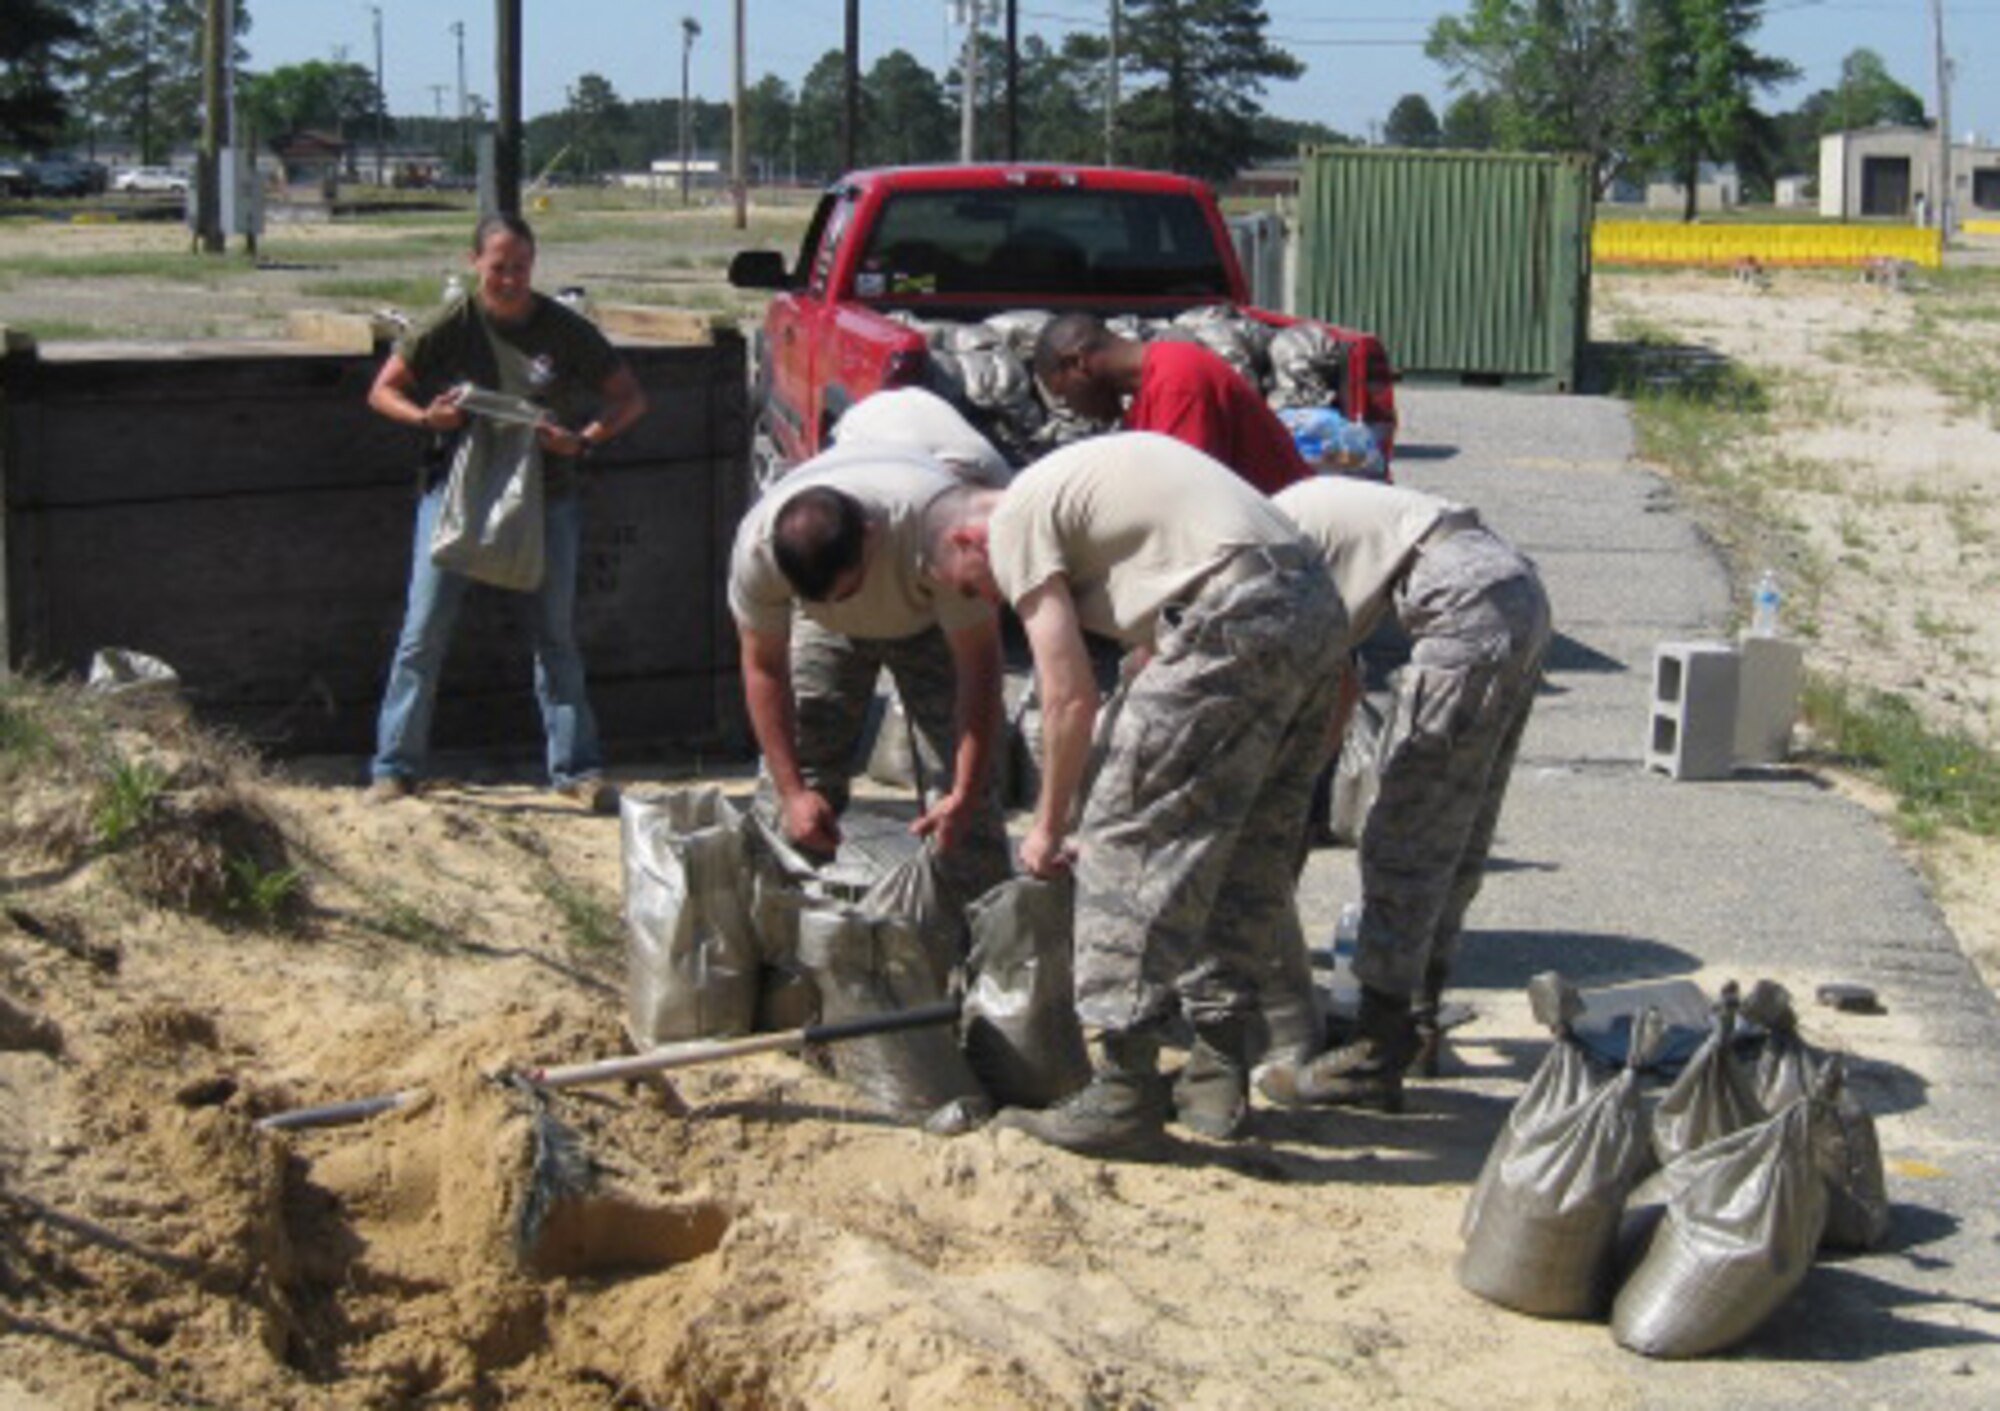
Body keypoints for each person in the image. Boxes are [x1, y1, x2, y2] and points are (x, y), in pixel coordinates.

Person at [923, 432, 1347, 1153]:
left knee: (1123, 837)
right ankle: (1216, 1078)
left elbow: (1066, 699)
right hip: (1313, 603)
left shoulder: (1019, 516)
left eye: (972, 582)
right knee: (1246, 846)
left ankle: (1122, 1085)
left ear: (968, 537)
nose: (987, 599)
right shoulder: (1095, 504)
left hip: (1236, 607)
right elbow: (1150, 657)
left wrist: (1049, 826)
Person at [1260, 475, 1552, 1113]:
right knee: (1459, 822)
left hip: (1460, 595)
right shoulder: (1301, 516)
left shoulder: (1270, 544)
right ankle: (1414, 1022)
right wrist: (1311, 777)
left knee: (1406, 830)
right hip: (1513, 584)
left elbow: (1319, 681)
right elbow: (1339, 682)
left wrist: (1294, 794)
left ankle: (1375, 1047)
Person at [365, 212, 646, 811]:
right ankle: (395, 766)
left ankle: (577, 769)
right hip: (458, 493)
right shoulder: (451, 323)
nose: (510, 280)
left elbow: (629, 397)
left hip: (548, 494)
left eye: (520, 268)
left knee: (556, 635)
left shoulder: (564, 330)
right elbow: (383, 388)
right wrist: (427, 419)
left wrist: (584, 439)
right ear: (475, 265)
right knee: (424, 630)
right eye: (499, 268)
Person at [728, 426, 1013, 909]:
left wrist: (963, 790)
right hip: (825, 632)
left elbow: (979, 668)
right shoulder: (758, 551)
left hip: (930, 624)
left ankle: (976, 949)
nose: (845, 603)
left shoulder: (934, 526)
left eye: (849, 588)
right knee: (796, 786)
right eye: (825, 597)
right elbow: (763, 668)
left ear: (870, 536)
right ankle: (778, 942)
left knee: (962, 807)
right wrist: (793, 792)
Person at [1031, 312, 1310, 495]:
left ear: (1079, 364)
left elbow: (1178, 497)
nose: (1074, 410)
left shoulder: (1176, 381)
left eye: (1065, 395)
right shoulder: (1148, 394)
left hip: (1283, 529)